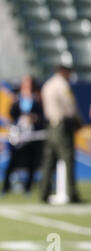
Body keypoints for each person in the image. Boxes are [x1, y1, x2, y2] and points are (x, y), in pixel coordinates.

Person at [40, 65, 82, 203]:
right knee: (68, 159)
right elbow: (69, 105)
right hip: (62, 126)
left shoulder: (48, 85)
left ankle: (44, 192)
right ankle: (72, 193)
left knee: (49, 161)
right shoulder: (62, 85)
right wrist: (77, 120)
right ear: (64, 72)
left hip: (50, 125)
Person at [1, 75, 44, 196]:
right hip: (18, 136)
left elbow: (40, 116)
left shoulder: (36, 100)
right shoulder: (17, 99)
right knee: (13, 162)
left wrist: (33, 118)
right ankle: (5, 187)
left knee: (31, 162)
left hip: (31, 136)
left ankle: (28, 188)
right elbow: (11, 114)